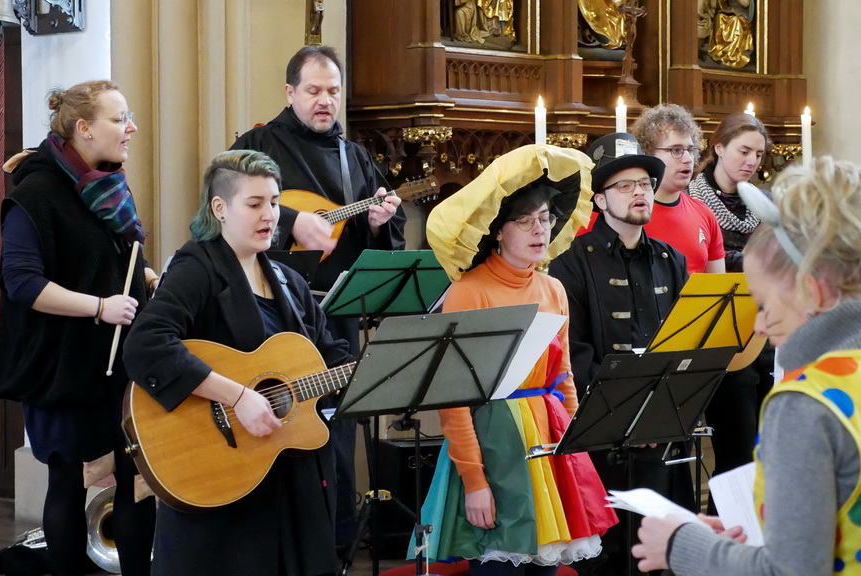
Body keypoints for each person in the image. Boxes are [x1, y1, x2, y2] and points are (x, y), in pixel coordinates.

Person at [631, 157, 861, 576]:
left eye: (764, 304)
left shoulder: (808, 403)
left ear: (812, 291)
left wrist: (682, 545)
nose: (759, 325)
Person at [122, 150, 355, 576]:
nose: (270, 215)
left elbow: (331, 355)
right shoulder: (197, 268)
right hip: (221, 474)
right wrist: (238, 395)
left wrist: (377, 368)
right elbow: (145, 345)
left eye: (274, 202)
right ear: (220, 208)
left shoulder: (288, 279)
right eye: (254, 204)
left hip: (290, 480)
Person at [232, 44, 406, 546]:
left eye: (333, 90)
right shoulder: (257, 144)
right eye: (313, 90)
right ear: (290, 92)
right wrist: (289, 220)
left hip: (337, 313)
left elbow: (373, 247)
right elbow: (224, 206)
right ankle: (280, 543)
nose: (324, 100)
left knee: (337, 428)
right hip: (272, 313)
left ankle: (336, 542)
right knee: (282, 424)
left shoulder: (355, 158)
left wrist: (380, 223)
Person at [421, 144, 617, 574]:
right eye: (525, 221)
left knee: (547, 568)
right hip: (496, 450)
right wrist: (475, 482)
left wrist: (574, 451)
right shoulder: (469, 292)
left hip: (549, 445)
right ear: (498, 230)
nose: (539, 230)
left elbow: (563, 376)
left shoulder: (553, 289)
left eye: (545, 219)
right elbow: (453, 400)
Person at [0, 80, 156, 576]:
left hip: (119, 364)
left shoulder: (108, 184)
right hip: (59, 365)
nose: (131, 128)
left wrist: (145, 275)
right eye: (119, 119)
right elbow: (22, 283)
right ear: (83, 128)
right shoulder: (35, 194)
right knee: (67, 484)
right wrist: (100, 307)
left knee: (136, 482)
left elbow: (105, 258)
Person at [548, 133, 691, 575]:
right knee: (608, 556)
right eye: (625, 186)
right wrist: (627, 418)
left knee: (659, 551)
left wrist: (658, 416)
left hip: (661, 429)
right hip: (602, 433)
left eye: (645, 184)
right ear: (600, 199)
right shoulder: (570, 263)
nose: (639, 193)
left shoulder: (671, 259)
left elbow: (685, 345)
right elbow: (574, 353)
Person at [687, 112, 774, 500]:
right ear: (719, 148)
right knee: (737, 457)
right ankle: (727, 528)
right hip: (724, 341)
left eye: (758, 154)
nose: (752, 161)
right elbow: (700, 262)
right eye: (744, 151)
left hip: (767, 336)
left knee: (769, 454)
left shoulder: (766, 204)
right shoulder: (692, 201)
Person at [630, 103, 726, 274]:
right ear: (648, 154)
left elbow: (718, 286)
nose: (688, 159)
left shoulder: (705, 214)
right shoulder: (625, 212)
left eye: (691, 150)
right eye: (676, 150)